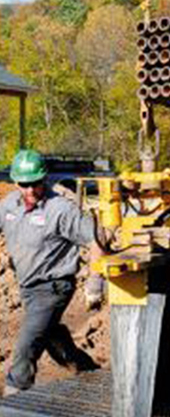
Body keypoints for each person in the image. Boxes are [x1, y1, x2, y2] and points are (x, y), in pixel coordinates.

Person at [1, 150, 103, 397]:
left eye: (35, 183)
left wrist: (94, 282)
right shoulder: (8, 206)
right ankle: (89, 371)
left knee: (27, 347)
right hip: (27, 287)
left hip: (54, 286)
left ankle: (15, 400)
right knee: (50, 336)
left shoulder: (60, 209)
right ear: (15, 182)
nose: (30, 190)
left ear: (44, 179)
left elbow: (97, 240)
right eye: (24, 185)